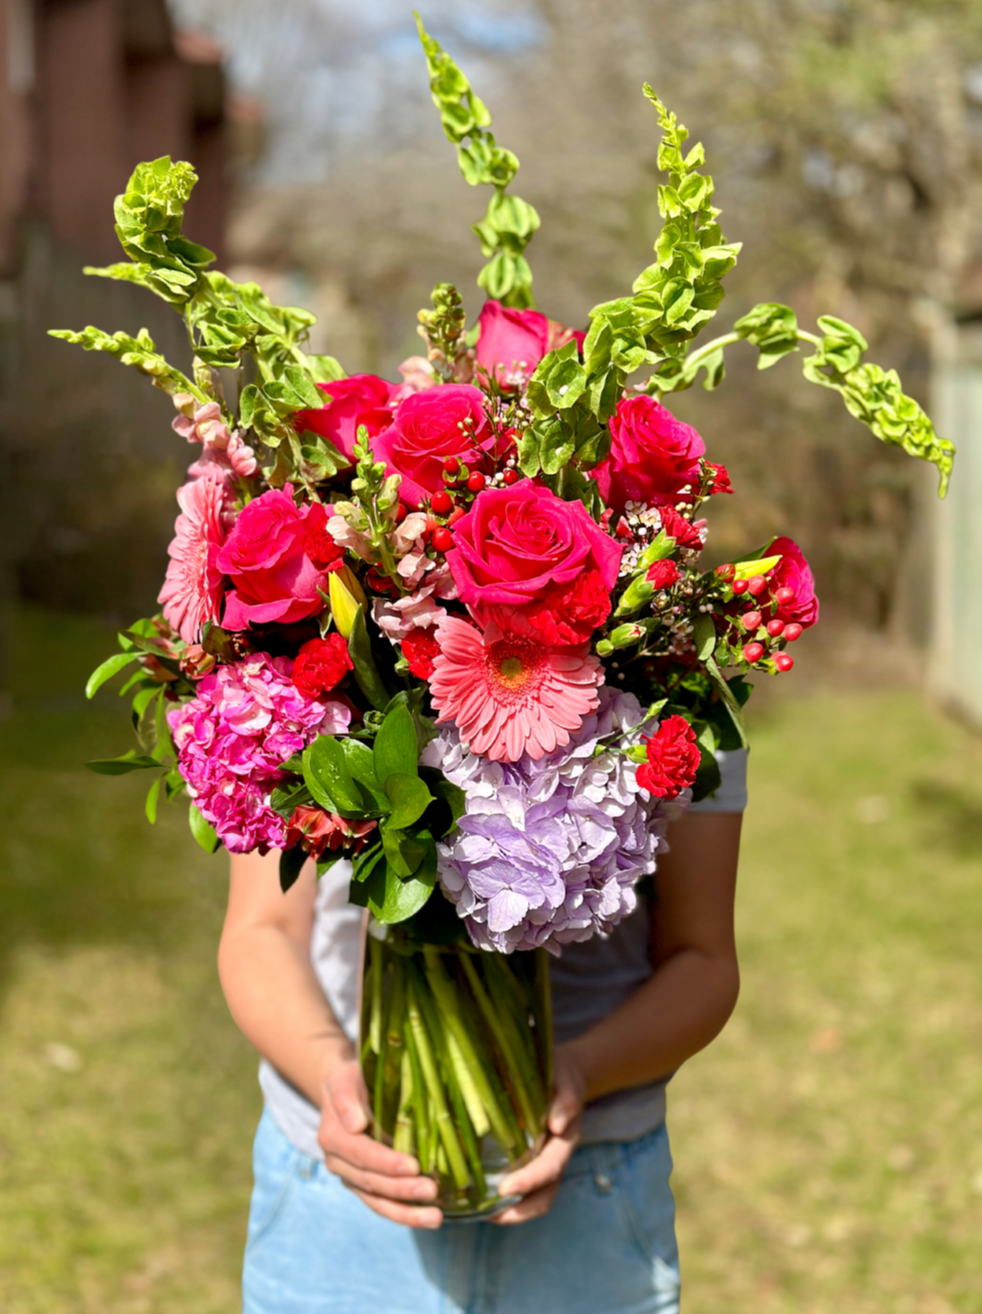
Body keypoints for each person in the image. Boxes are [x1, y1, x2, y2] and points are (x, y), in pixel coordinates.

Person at [219, 749, 747, 1314]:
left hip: (592, 1179)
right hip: (340, 1177)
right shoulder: (286, 674)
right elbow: (261, 931)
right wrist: (329, 1075)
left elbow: (703, 960)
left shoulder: (684, 696)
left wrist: (579, 1070)